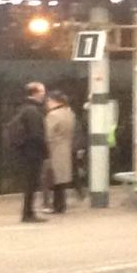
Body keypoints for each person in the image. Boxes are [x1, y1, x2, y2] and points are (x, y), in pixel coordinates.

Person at [8, 82, 50, 223]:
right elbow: (36, 134)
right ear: (35, 93)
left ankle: (28, 212)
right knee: (31, 183)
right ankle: (28, 213)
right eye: (42, 91)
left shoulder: (24, 108)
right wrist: (45, 150)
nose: (44, 94)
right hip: (32, 153)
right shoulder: (33, 111)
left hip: (25, 151)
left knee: (30, 183)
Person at [44, 87, 78, 215]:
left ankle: (55, 205)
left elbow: (48, 133)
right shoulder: (70, 113)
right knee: (61, 179)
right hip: (66, 147)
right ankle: (61, 205)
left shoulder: (52, 115)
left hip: (54, 148)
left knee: (53, 178)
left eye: (48, 101)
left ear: (54, 101)